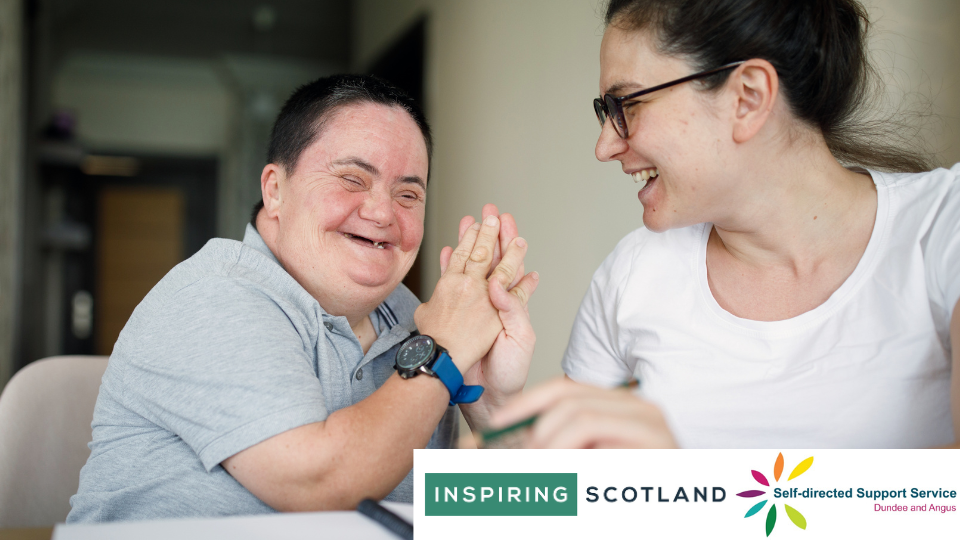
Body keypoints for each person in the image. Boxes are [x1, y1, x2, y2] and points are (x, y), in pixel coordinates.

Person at [489, 0, 959, 449]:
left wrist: (690, 490)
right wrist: (490, 400)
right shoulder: (632, 275)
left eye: (627, 106)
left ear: (748, 98)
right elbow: (567, 502)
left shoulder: (944, 223)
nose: (605, 146)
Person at [68, 74, 538, 522]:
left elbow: (514, 515)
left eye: (408, 195)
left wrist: (490, 405)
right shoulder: (214, 295)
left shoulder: (415, 321)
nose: (381, 213)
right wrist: (442, 351)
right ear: (275, 190)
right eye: (352, 179)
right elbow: (323, 485)